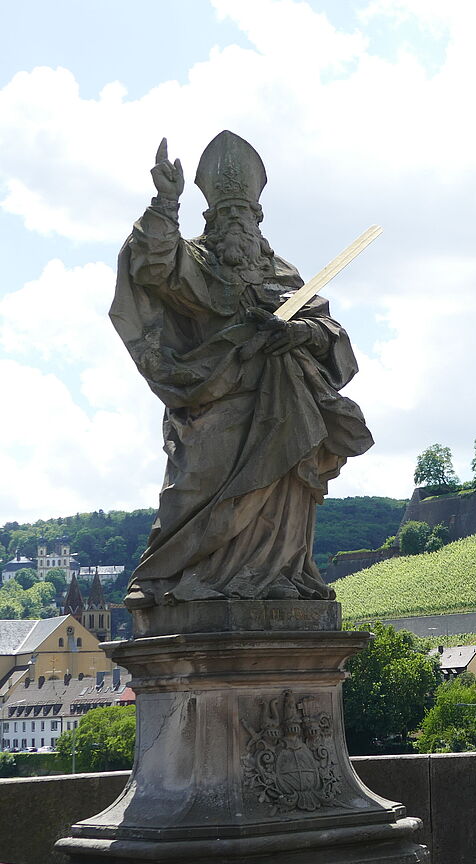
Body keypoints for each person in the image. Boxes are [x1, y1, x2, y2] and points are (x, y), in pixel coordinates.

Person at [110, 132, 373, 607]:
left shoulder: (284, 274)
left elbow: (327, 328)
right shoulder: (195, 261)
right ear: (208, 220)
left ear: (259, 221)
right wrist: (166, 204)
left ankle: (278, 574)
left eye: (244, 215)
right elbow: (153, 266)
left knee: (283, 485)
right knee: (194, 488)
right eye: (225, 214)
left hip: (284, 402)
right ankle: (172, 575)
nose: (236, 223)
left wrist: (301, 333)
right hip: (212, 400)